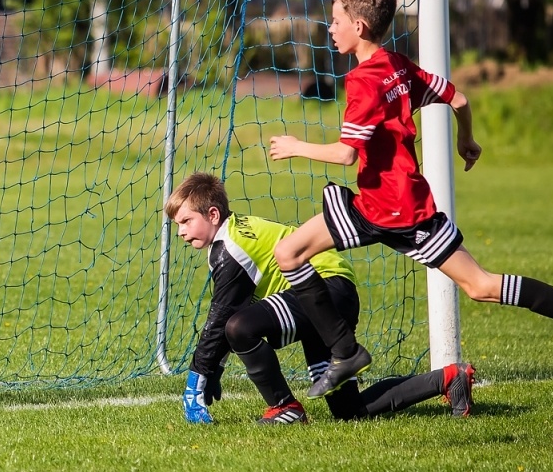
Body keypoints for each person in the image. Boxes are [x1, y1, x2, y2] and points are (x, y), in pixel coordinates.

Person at [267, 0, 553, 398]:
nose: (330, 29)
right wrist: (465, 139)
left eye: (336, 21)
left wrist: (294, 147)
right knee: (482, 286)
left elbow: (347, 154)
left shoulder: (363, 80)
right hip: (401, 203)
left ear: (359, 26)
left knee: (288, 253)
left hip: (384, 209)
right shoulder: (396, 64)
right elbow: (457, 99)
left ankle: (345, 351)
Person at [167, 171, 474, 424]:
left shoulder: (228, 249)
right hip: (330, 293)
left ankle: (284, 407)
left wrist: (199, 377)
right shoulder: (232, 235)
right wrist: (214, 366)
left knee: (239, 327)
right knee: (349, 410)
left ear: (213, 214)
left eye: (186, 221)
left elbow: (223, 317)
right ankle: (448, 379)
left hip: (325, 290)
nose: (180, 231)